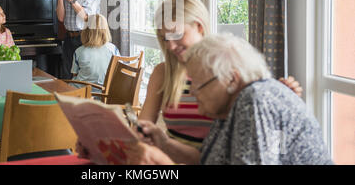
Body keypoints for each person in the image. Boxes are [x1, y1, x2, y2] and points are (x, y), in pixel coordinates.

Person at [129, 33, 333, 165]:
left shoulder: (256, 99)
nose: (192, 93)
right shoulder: (227, 108)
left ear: (231, 79)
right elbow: (207, 160)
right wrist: (164, 144)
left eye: (199, 84)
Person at [138, 0, 303, 150]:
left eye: (176, 35)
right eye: (165, 38)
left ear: (199, 27)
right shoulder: (163, 72)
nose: (171, 46)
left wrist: (280, 98)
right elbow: (144, 126)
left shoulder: (227, 71)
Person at [54, 0, 100, 79]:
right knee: (67, 75)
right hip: (69, 38)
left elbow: (86, 17)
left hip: (86, 38)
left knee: (83, 77)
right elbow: (60, 17)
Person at [70, 14, 120, 92]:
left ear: (86, 31)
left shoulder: (79, 51)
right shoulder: (113, 49)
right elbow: (118, 71)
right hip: (105, 92)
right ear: (105, 30)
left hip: (83, 93)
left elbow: (74, 75)